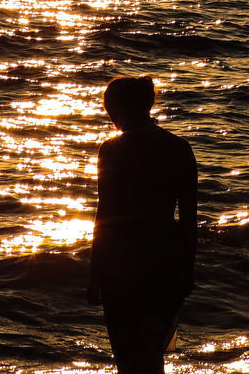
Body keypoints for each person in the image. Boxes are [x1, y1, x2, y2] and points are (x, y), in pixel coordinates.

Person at [87, 76, 198, 374]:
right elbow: (189, 218)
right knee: (153, 354)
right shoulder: (179, 148)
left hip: (121, 264)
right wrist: (189, 270)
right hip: (166, 260)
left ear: (120, 108)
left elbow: (105, 216)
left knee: (128, 357)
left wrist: (93, 273)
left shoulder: (110, 150)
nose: (109, 115)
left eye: (109, 107)